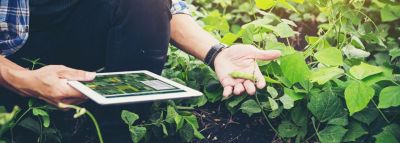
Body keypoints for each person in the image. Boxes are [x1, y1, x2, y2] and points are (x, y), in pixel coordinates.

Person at [0, 0, 281, 142]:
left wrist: (216, 53)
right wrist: (24, 80)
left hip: (79, 48)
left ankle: (115, 130)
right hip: (10, 62)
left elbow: (168, 8)